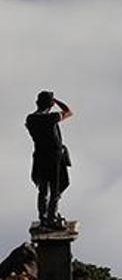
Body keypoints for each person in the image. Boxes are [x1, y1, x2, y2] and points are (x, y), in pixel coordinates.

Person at [25, 91, 74, 229]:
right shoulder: (51, 117)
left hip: (40, 157)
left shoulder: (31, 119)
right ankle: (51, 218)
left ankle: (44, 217)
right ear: (50, 104)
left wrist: (50, 102)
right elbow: (68, 111)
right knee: (55, 189)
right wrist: (56, 100)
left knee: (43, 190)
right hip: (54, 157)